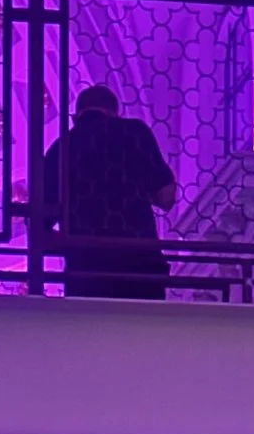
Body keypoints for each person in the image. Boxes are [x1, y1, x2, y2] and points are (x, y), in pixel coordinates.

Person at [34, 85, 176, 299]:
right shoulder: (134, 132)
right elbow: (167, 197)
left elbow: (39, 228)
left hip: (86, 272)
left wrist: (73, 241)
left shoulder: (60, 149)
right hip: (142, 266)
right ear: (114, 112)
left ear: (76, 117)